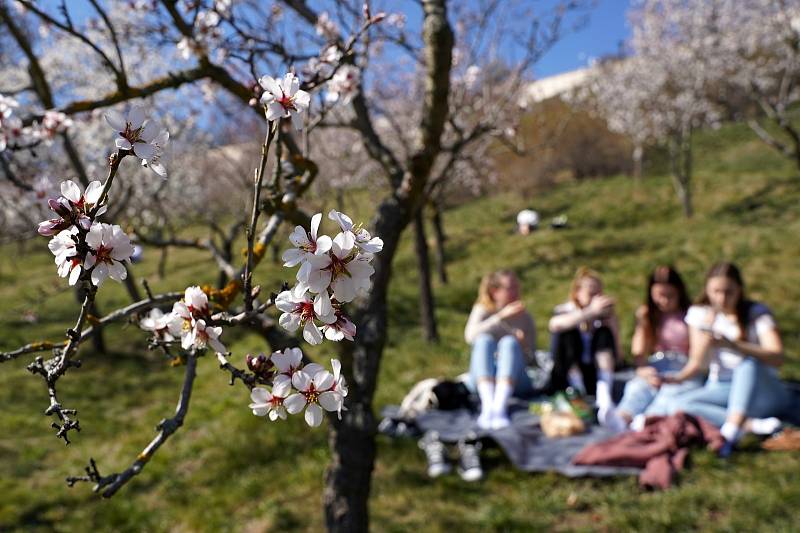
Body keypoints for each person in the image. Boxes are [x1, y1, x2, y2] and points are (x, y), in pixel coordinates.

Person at [659, 262, 791, 456]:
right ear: (707, 290)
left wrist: (734, 345)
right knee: (676, 405)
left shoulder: (756, 313)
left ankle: (730, 433)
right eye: (716, 291)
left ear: (739, 290)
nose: (721, 298)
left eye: (728, 292)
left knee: (747, 363)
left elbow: (777, 357)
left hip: (761, 390)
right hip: (721, 388)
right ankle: (749, 425)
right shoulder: (700, 314)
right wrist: (677, 379)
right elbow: (697, 362)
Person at [601, 265, 702, 431]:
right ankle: (623, 417)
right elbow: (639, 351)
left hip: (685, 369)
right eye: (659, 296)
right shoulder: (649, 314)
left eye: (670, 296)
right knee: (637, 387)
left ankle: (648, 421)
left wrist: (678, 378)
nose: (664, 301)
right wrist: (643, 369)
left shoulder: (692, 314)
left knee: (669, 394)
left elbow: (698, 357)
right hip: (658, 364)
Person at [464, 269, 537, 430]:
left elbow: (532, 359)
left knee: (510, 343)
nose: (515, 292)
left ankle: (499, 407)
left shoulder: (525, 317)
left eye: (516, 287)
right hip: (484, 378)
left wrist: (523, 345)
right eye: (509, 288)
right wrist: (500, 317)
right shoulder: (482, 310)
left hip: (514, 382)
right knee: (483, 340)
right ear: (495, 292)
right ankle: (488, 405)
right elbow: (470, 337)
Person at [546, 267, 621, 421]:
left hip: (594, 374)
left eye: (599, 293)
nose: (596, 298)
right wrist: (589, 312)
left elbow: (618, 355)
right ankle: (579, 396)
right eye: (591, 293)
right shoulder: (565, 310)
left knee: (604, 333)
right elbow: (555, 325)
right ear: (577, 294)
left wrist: (612, 323)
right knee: (568, 331)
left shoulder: (603, 319)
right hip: (567, 377)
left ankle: (604, 397)